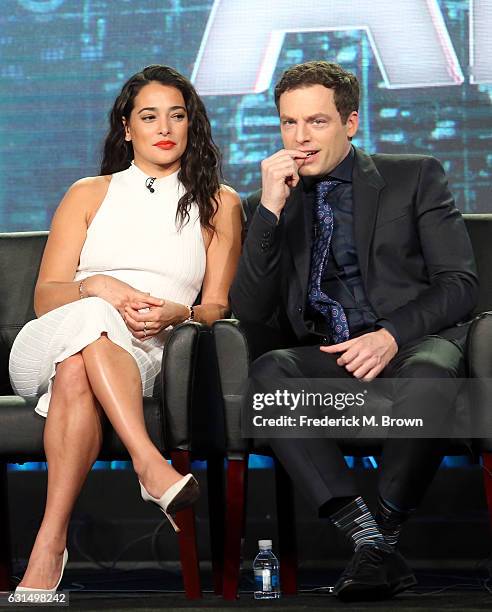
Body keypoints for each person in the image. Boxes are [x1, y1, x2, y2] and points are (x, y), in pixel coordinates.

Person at [230, 61, 478, 601]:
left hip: (411, 345)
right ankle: (375, 545)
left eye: (316, 122)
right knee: (270, 374)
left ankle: (375, 545)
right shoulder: (267, 204)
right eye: (288, 123)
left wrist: (389, 334)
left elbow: (460, 283)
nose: (299, 138)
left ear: (351, 122)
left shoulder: (413, 176)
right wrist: (270, 210)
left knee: (432, 375)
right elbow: (250, 311)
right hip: (332, 359)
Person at [9, 64, 242, 593]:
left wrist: (177, 313)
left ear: (192, 125)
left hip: (147, 353)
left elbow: (216, 308)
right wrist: (101, 287)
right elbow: (47, 297)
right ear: (126, 126)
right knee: (88, 325)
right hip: (49, 341)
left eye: (177, 115)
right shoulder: (90, 193)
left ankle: (49, 543)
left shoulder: (219, 203)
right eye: (149, 115)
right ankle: (148, 463)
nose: (164, 127)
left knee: (76, 375)